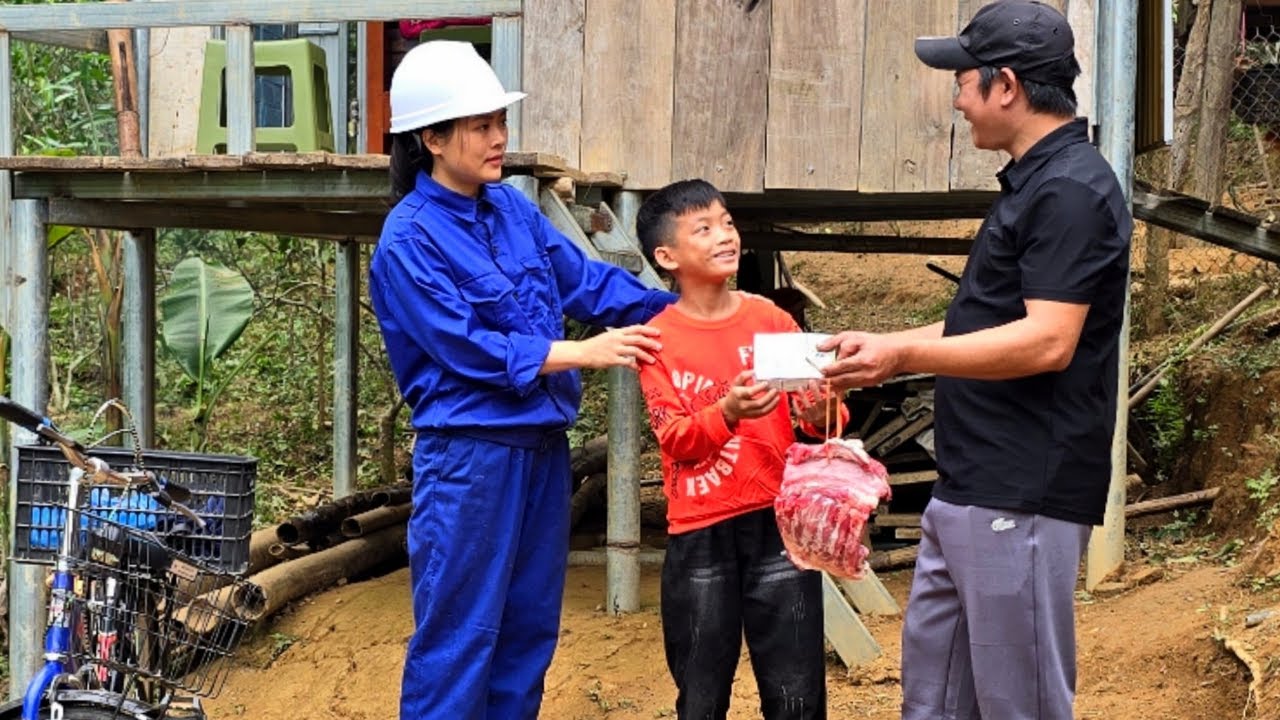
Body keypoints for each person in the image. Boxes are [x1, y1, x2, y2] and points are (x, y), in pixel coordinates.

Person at [818, 3, 1133, 719]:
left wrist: (903, 353)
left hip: (1020, 491)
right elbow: (987, 321)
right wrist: (887, 344)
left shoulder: (1071, 192)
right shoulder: (1036, 183)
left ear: (1006, 86)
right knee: (934, 698)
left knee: (1015, 702)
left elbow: (1048, 340)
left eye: (963, 80)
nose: (956, 98)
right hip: (972, 485)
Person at [368, 41, 677, 720]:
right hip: (470, 459)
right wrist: (581, 355)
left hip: (539, 450)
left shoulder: (510, 209)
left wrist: (690, 314)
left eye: (498, 122)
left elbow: (588, 282)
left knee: (528, 632)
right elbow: (466, 348)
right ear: (432, 138)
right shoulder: (407, 239)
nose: (498, 137)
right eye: (480, 126)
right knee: (460, 638)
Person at [635, 179, 845, 720]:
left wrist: (825, 408)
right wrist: (727, 412)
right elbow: (676, 440)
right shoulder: (657, 340)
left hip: (778, 521)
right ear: (667, 256)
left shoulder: (771, 320)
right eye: (702, 228)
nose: (725, 235)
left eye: (726, 222)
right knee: (701, 696)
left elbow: (820, 419)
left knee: (797, 691)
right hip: (699, 532)